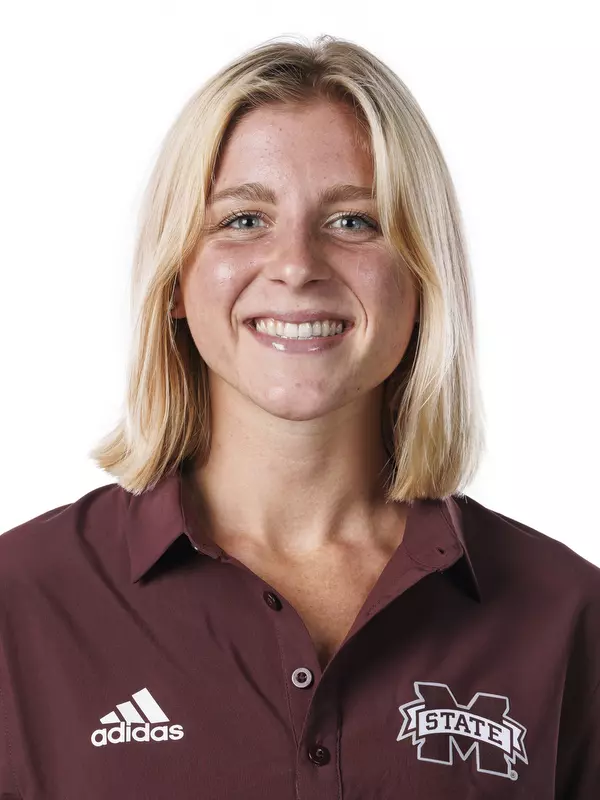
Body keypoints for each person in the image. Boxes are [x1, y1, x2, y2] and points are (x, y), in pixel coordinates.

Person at [0, 33, 598, 800]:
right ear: (176, 281)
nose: (296, 265)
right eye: (243, 219)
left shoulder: (567, 618)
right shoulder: (23, 606)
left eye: (354, 222)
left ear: (421, 278)